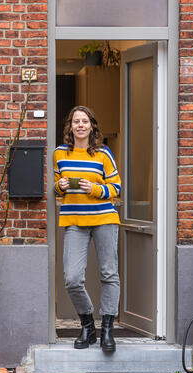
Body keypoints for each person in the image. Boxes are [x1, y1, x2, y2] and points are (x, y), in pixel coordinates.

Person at [53, 105, 121, 353]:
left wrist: (94, 189)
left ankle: (107, 330)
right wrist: (59, 186)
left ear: (92, 126)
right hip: (74, 221)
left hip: (104, 219)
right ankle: (87, 324)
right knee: (72, 279)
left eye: (84, 121)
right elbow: (57, 188)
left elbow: (116, 188)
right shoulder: (60, 154)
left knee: (108, 273)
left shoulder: (103, 154)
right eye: (75, 121)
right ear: (70, 127)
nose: (80, 125)